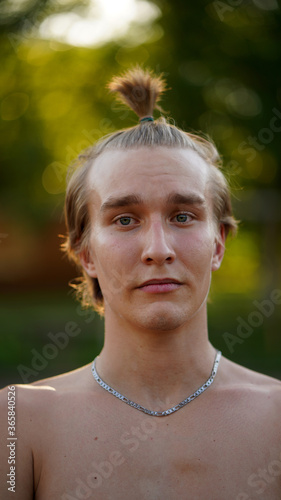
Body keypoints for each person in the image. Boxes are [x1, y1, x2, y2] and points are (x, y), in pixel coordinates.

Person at [0, 67, 280, 500]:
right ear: (86, 253)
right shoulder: (16, 423)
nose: (158, 248)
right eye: (125, 220)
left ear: (218, 244)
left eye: (183, 216)